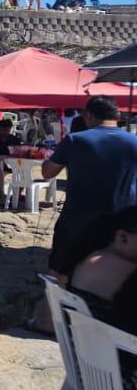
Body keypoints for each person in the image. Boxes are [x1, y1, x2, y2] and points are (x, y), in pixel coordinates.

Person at [42, 96, 137, 283]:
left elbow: (47, 172)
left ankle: (61, 298)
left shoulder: (74, 140)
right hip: (123, 220)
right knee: (115, 274)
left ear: (89, 116)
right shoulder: (134, 142)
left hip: (78, 218)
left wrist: (49, 158)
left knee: (61, 272)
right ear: (118, 115)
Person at [68, 207, 137, 334]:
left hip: (87, 340)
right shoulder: (123, 268)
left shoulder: (91, 255)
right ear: (122, 237)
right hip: (114, 343)